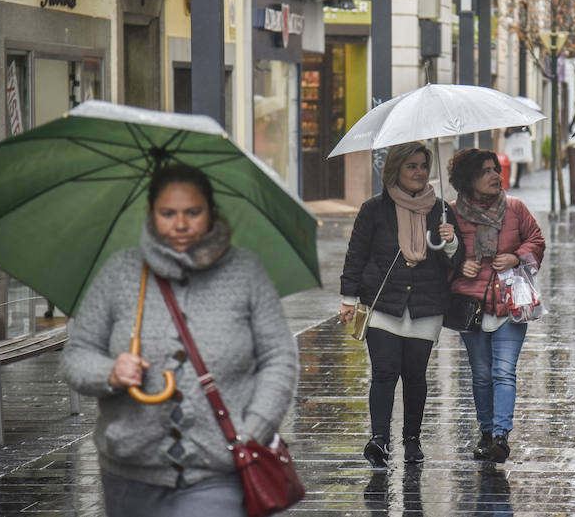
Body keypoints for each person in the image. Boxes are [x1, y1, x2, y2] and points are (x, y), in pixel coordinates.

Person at [61, 164, 299, 517]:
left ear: (211, 212)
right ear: (151, 214)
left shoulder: (245, 272)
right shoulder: (122, 272)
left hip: (219, 471)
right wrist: (110, 372)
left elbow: (279, 356)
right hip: (130, 475)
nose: (181, 225)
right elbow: (77, 354)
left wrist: (255, 428)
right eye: (168, 213)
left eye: (193, 212)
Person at [338, 141, 463, 468]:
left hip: (425, 304)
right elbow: (355, 256)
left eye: (423, 166)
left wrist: (451, 242)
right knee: (384, 371)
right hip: (382, 303)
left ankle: (411, 440)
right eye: (411, 166)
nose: (419, 172)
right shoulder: (373, 209)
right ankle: (379, 439)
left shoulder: (441, 209)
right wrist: (348, 299)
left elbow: (455, 261)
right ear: (395, 170)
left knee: (415, 375)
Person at [447, 148, 545, 463]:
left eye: (495, 169)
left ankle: (501, 436)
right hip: (471, 304)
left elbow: (536, 240)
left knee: (504, 371)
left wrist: (516, 256)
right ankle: (486, 432)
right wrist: (459, 263)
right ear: (468, 179)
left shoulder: (515, 208)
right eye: (486, 171)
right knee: (481, 374)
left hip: (509, 303)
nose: (495, 175)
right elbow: (438, 256)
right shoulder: (450, 214)